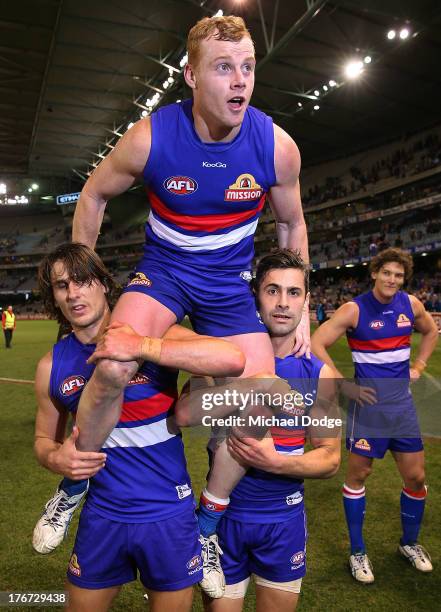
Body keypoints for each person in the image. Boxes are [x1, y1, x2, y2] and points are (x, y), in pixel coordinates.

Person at [71, 15, 309, 594]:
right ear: (192, 75)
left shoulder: (276, 144)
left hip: (229, 283)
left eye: (247, 67)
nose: (240, 81)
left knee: (264, 401)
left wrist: (299, 310)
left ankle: (208, 515)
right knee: (113, 367)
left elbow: (292, 222)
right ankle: (75, 483)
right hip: (165, 273)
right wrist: (83, 273)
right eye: (224, 67)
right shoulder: (151, 136)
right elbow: (94, 193)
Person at [33, 243, 244, 611]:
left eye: (82, 281)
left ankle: (207, 527)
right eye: (61, 285)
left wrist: (142, 345)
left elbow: (231, 358)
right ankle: (68, 494)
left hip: (168, 513)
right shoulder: (52, 365)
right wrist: (56, 459)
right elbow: (42, 441)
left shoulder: (153, 332)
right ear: (54, 296)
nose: (73, 293)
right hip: (103, 514)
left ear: (102, 283)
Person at [175, 250, 341, 611]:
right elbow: (186, 414)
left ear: (306, 301)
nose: (283, 303)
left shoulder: (318, 373)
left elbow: (330, 458)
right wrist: (257, 386)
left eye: (294, 293)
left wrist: (277, 463)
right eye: (272, 291)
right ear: (255, 296)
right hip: (223, 522)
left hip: (283, 522)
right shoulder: (225, 356)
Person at [311, 247, 438, 583]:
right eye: (386, 273)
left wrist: (420, 364)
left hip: (402, 407)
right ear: (374, 273)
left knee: (415, 478)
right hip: (367, 410)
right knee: (358, 477)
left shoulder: (410, 305)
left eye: (398, 275)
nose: (392, 279)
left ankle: (409, 544)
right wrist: (343, 387)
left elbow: (431, 331)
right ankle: (357, 552)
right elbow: (316, 343)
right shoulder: (354, 309)